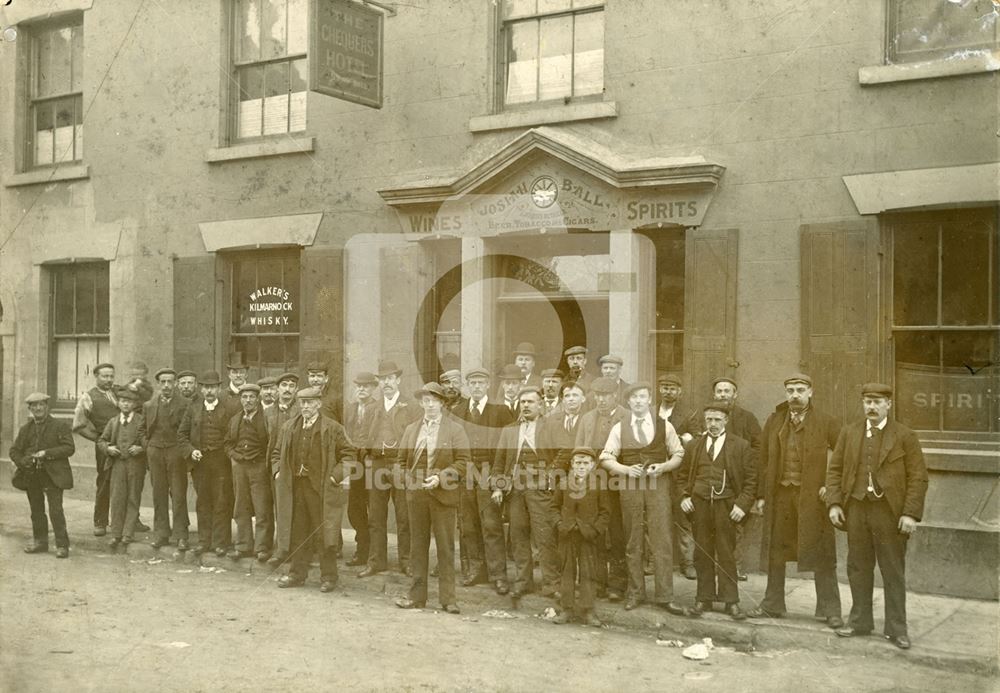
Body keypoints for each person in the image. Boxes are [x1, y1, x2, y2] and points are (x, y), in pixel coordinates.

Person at [826, 383, 928, 650]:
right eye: (867, 402)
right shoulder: (849, 433)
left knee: (892, 570)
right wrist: (835, 504)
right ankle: (859, 622)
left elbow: (918, 477)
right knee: (858, 567)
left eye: (877, 402)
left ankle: (897, 629)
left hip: (890, 513)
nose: (871, 407)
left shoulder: (905, 436)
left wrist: (910, 514)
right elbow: (835, 470)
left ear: (888, 405)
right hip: (857, 509)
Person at [748, 374, 843, 628]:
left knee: (822, 553)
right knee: (776, 552)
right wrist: (760, 495)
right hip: (780, 496)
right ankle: (773, 604)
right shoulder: (775, 420)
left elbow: (845, 456)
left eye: (800, 390)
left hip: (814, 499)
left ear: (811, 392)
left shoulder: (826, 422)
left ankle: (830, 609)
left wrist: (830, 488)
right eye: (790, 390)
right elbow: (763, 460)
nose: (794, 395)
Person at [599, 383, 687, 614]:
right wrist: (625, 470)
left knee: (662, 539)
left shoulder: (664, 425)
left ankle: (665, 596)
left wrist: (665, 466)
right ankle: (635, 592)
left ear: (649, 400)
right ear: (628, 402)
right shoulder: (619, 427)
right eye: (634, 398)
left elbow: (679, 453)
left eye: (642, 397)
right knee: (633, 540)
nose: (638, 401)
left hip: (658, 485)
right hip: (630, 487)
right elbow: (606, 458)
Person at [395, 383, 470, 613]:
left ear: (442, 403)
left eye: (434, 401)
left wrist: (441, 478)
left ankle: (448, 599)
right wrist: (408, 481)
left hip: (443, 496)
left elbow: (463, 462)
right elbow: (400, 462)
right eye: (425, 401)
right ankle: (417, 597)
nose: (429, 405)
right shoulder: (411, 429)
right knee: (418, 547)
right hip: (417, 496)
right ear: (421, 403)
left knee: (446, 548)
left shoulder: (455, 430)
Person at [272, 387, 356, 592]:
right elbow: (276, 452)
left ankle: (329, 577)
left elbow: (350, 455)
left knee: (323, 534)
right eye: (303, 403)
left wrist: (336, 476)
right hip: (295, 488)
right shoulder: (289, 427)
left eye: (310, 402)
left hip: (321, 489)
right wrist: (277, 471)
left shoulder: (333, 428)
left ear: (319, 403)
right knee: (298, 531)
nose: (306, 407)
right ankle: (296, 574)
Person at [680, 403, 757, 620]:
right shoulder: (694, 446)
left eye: (717, 420)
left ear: (726, 421)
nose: (712, 424)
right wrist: (684, 497)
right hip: (700, 505)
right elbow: (681, 478)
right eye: (709, 420)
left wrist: (742, 505)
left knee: (726, 553)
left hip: (727, 507)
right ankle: (703, 599)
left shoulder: (740, 446)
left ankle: (730, 601)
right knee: (701, 552)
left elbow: (751, 481)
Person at [492, 386, 560, 601]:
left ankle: (551, 583)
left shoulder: (551, 427)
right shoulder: (509, 430)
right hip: (515, 490)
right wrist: (497, 487)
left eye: (531, 402)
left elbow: (561, 456)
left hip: (541, 490)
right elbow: (499, 463)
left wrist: (550, 478)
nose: (526, 406)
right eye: (523, 402)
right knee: (518, 535)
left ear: (540, 405)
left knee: (544, 536)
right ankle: (523, 582)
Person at [359, 360, 419, 577]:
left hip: (400, 465)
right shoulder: (372, 408)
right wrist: (366, 456)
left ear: (398, 380)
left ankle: (406, 561)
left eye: (390, 378)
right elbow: (363, 436)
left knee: (404, 515)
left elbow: (416, 437)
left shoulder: (411, 406)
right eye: (383, 379)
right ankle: (376, 561)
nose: (386, 383)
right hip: (377, 465)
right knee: (375, 515)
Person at [456, 367, 513, 592]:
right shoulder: (459, 411)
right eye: (473, 383)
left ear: (488, 385)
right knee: (468, 525)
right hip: (465, 475)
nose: (477, 387)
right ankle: (476, 570)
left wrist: (500, 480)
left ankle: (498, 574)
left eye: (481, 383)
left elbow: (507, 449)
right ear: (468, 386)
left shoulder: (500, 411)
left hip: (490, 473)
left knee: (491, 525)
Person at [574, 376, 628, 601]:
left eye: (605, 395)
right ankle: (596, 582)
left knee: (616, 534)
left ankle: (617, 584)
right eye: (597, 395)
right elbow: (579, 449)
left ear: (615, 395)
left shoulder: (626, 416)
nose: (601, 400)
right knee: (595, 532)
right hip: (593, 484)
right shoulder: (587, 418)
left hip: (617, 484)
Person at [10, 392, 75, 558]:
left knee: (56, 510)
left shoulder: (59, 425)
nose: (38, 408)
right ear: (30, 409)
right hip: (32, 474)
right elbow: (14, 451)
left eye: (41, 405)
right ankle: (40, 542)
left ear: (47, 407)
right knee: (36, 510)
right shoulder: (26, 429)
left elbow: (69, 448)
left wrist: (46, 453)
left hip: (53, 475)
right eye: (34, 406)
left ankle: (62, 545)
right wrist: (23, 461)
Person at [552, 447, 610, 627]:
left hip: (588, 535)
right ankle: (566, 609)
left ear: (593, 464)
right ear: (572, 464)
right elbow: (554, 507)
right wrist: (560, 524)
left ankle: (588, 610)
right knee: (567, 570)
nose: (581, 466)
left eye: (586, 463)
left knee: (588, 572)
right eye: (578, 463)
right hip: (567, 533)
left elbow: (605, 512)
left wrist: (595, 530)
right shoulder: (563, 482)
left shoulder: (599, 484)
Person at [178, 371, 233, 556]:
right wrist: (191, 451)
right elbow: (182, 435)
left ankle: (221, 543)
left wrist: (225, 452)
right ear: (202, 389)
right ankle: (204, 541)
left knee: (221, 501)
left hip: (221, 463)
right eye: (206, 387)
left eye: (213, 387)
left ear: (218, 389)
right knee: (203, 502)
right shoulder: (193, 409)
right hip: (200, 463)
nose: (209, 391)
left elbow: (231, 436)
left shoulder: (227, 409)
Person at [224, 382, 273, 562]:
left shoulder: (266, 418)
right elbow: (227, 442)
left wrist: (263, 461)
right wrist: (234, 456)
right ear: (240, 399)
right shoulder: (235, 419)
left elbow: (271, 442)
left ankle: (262, 547)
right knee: (240, 506)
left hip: (259, 466)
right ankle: (243, 545)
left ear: (258, 399)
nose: (248, 400)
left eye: (252, 397)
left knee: (262, 508)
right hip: (240, 467)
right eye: (244, 397)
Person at [656, 373, 697, 580]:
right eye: (664, 387)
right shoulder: (650, 411)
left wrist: (686, 439)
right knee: (654, 516)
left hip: (680, 472)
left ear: (679, 392)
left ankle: (687, 562)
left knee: (683, 518)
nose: (667, 391)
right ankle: (653, 561)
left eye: (672, 388)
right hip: (656, 471)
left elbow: (697, 441)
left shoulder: (689, 414)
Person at [144, 367, 190, 550]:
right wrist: (148, 447)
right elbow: (142, 429)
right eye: (163, 382)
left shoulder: (185, 404)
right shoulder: (149, 405)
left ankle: (181, 535)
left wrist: (183, 451)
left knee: (178, 494)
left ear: (176, 384)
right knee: (159, 494)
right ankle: (161, 533)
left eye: (170, 382)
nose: (166, 386)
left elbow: (188, 431)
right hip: (155, 453)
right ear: (158, 384)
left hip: (176, 452)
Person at [72, 362, 119, 537]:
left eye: (111, 376)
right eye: (105, 376)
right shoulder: (88, 397)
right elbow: (78, 425)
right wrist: (99, 440)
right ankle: (100, 521)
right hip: (105, 447)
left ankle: (131, 520)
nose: (109, 379)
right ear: (96, 377)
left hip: (125, 444)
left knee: (127, 481)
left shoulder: (117, 393)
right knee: (105, 481)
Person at [99, 384, 147, 549]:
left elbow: (148, 439)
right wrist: (108, 448)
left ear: (134, 404)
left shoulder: (141, 420)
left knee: (133, 497)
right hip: (118, 464)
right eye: (122, 401)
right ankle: (116, 534)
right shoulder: (113, 422)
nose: (126, 404)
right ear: (118, 403)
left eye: (129, 401)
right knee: (117, 498)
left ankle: (128, 533)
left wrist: (141, 448)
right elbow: (102, 440)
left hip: (136, 465)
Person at [265, 371, 300, 566]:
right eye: (284, 385)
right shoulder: (268, 412)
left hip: (297, 468)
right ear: (277, 389)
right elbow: (266, 441)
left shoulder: (300, 411)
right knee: (280, 511)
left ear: (296, 390)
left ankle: (298, 550)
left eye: (291, 386)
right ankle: (281, 550)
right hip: (275, 468)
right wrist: (274, 468)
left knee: (298, 511)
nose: (287, 389)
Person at [343, 371, 379, 567]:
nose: (361, 389)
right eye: (359, 386)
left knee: (373, 509)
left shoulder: (378, 408)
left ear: (373, 388)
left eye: (365, 386)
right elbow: (346, 434)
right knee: (354, 509)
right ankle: (362, 548)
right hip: (355, 464)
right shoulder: (352, 408)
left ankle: (373, 552)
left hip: (373, 463)